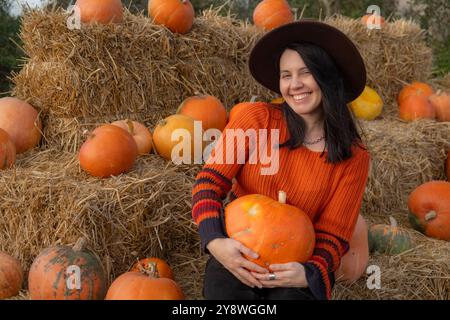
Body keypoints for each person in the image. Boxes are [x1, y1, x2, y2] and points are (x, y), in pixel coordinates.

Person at [191, 20, 371, 300]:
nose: (294, 84)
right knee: (225, 294)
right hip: (240, 251)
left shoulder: (354, 157)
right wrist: (215, 241)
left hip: (295, 263)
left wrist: (310, 272)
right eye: (286, 75)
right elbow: (208, 184)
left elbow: (333, 236)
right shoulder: (255, 119)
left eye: (305, 73)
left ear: (327, 77)